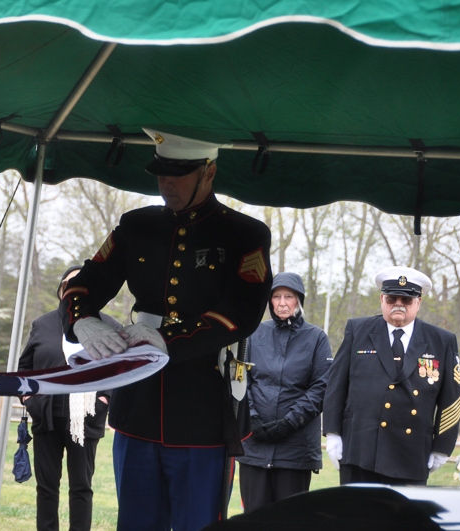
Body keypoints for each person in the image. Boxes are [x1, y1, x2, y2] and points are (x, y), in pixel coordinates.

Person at [60, 128, 272, 531]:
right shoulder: (136, 225)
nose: (166, 183)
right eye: (160, 173)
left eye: (178, 174)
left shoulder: (244, 234)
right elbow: (85, 283)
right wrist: (81, 318)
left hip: (203, 408)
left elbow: (243, 312)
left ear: (209, 172)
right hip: (138, 403)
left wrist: (167, 338)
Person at [323, 266, 460, 485]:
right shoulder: (358, 331)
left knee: (403, 510)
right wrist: (332, 432)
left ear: (418, 302)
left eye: (406, 300)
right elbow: (336, 384)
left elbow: (452, 399)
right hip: (360, 449)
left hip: (411, 453)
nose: (398, 304)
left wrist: (442, 446)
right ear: (382, 299)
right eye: (391, 299)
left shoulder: (441, 341)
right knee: (356, 509)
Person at [19, 266, 118, 531]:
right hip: (46, 416)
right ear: (61, 290)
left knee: (81, 487)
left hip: (86, 419)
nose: (74, 290)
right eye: (69, 284)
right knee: (46, 487)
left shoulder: (109, 327)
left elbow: (120, 371)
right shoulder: (43, 324)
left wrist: (104, 401)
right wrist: (29, 399)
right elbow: (25, 367)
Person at [238, 272, 332, 511]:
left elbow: (321, 386)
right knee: (254, 520)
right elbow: (241, 381)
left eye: (288, 297)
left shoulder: (316, 338)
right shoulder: (254, 334)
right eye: (276, 297)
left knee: (290, 519)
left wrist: (289, 422)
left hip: (295, 451)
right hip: (255, 448)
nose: (282, 303)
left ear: (298, 300)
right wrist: (252, 419)